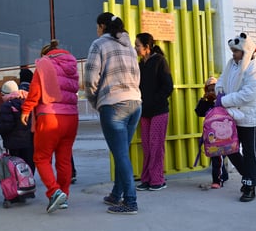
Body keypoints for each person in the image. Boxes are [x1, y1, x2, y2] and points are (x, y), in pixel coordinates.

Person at [84, 12, 142, 215]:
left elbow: (91, 78)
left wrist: (95, 101)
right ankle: (117, 194)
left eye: (97, 27)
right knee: (121, 153)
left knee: (121, 154)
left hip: (113, 103)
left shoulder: (99, 44)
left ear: (102, 26)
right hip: (135, 102)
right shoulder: (130, 48)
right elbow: (137, 75)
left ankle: (130, 201)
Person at [20, 39, 79, 213]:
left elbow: (35, 91)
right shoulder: (72, 65)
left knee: (41, 158)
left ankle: (54, 192)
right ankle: (64, 195)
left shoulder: (44, 64)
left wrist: (26, 110)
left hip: (50, 116)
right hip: (71, 117)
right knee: (64, 159)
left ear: (45, 54)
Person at [215, 32, 256, 202]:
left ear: (246, 52)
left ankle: (249, 186)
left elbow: (247, 94)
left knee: (249, 151)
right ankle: (250, 175)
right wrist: (218, 93)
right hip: (230, 115)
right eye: (232, 50)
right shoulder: (232, 64)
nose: (233, 53)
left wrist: (223, 101)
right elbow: (221, 81)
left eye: (236, 50)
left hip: (248, 118)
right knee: (229, 149)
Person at [134, 32, 173, 191]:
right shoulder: (140, 65)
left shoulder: (160, 61)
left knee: (156, 145)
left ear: (147, 47)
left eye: (137, 45)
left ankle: (158, 180)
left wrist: (154, 101)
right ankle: (147, 179)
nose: (135, 48)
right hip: (144, 112)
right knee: (147, 146)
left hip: (159, 111)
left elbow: (168, 87)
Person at [0, 80, 35, 174]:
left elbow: (7, 125)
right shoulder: (26, 102)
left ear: (4, 94)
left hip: (13, 143)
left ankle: (20, 183)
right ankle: (29, 182)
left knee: (16, 165)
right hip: (28, 141)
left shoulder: (7, 106)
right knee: (28, 162)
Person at [195, 76, 229, 189]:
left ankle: (217, 180)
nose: (211, 92)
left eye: (213, 89)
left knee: (218, 156)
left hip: (223, 134)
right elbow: (199, 112)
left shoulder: (222, 100)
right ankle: (223, 176)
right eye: (208, 90)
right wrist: (203, 100)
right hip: (211, 135)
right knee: (215, 156)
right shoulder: (206, 103)